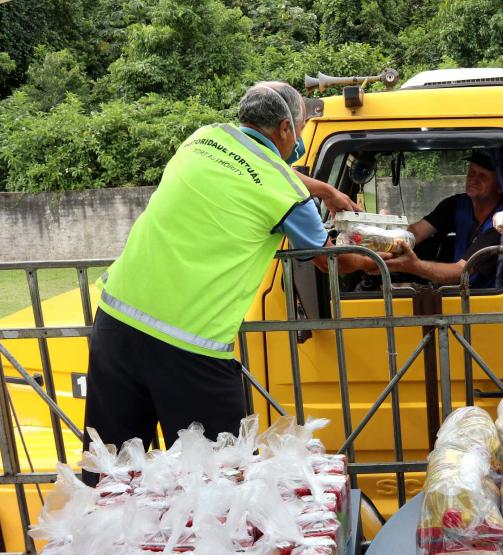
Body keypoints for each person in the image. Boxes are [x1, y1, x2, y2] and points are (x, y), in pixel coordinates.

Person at [81, 81, 372, 485]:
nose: (301, 138)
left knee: (110, 474)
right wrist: (377, 260)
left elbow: (253, 172)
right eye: (302, 127)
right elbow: (329, 261)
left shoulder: (203, 140)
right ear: (287, 129)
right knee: (222, 485)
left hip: (116, 324)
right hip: (190, 347)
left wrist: (323, 188)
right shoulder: (287, 194)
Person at [383, 151, 503, 288]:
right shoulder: (457, 204)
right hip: (457, 292)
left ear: (500, 187)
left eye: (483, 176)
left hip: (483, 299)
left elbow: (461, 271)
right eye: (471, 173)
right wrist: (384, 247)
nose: (473, 179)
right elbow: (416, 232)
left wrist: (414, 266)